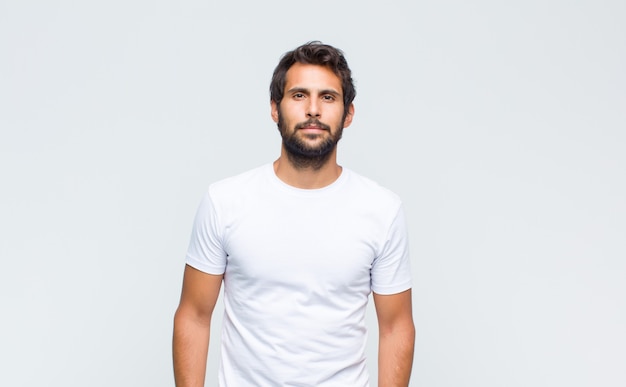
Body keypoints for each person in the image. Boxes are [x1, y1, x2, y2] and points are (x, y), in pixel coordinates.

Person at [173, 41, 415, 387]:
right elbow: (193, 316)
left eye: (328, 97)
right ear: (275, 108)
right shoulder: (225, 201)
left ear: (348, 113)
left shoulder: (382, 210)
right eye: (299, 96)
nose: (313, 110)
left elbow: (396, 327)